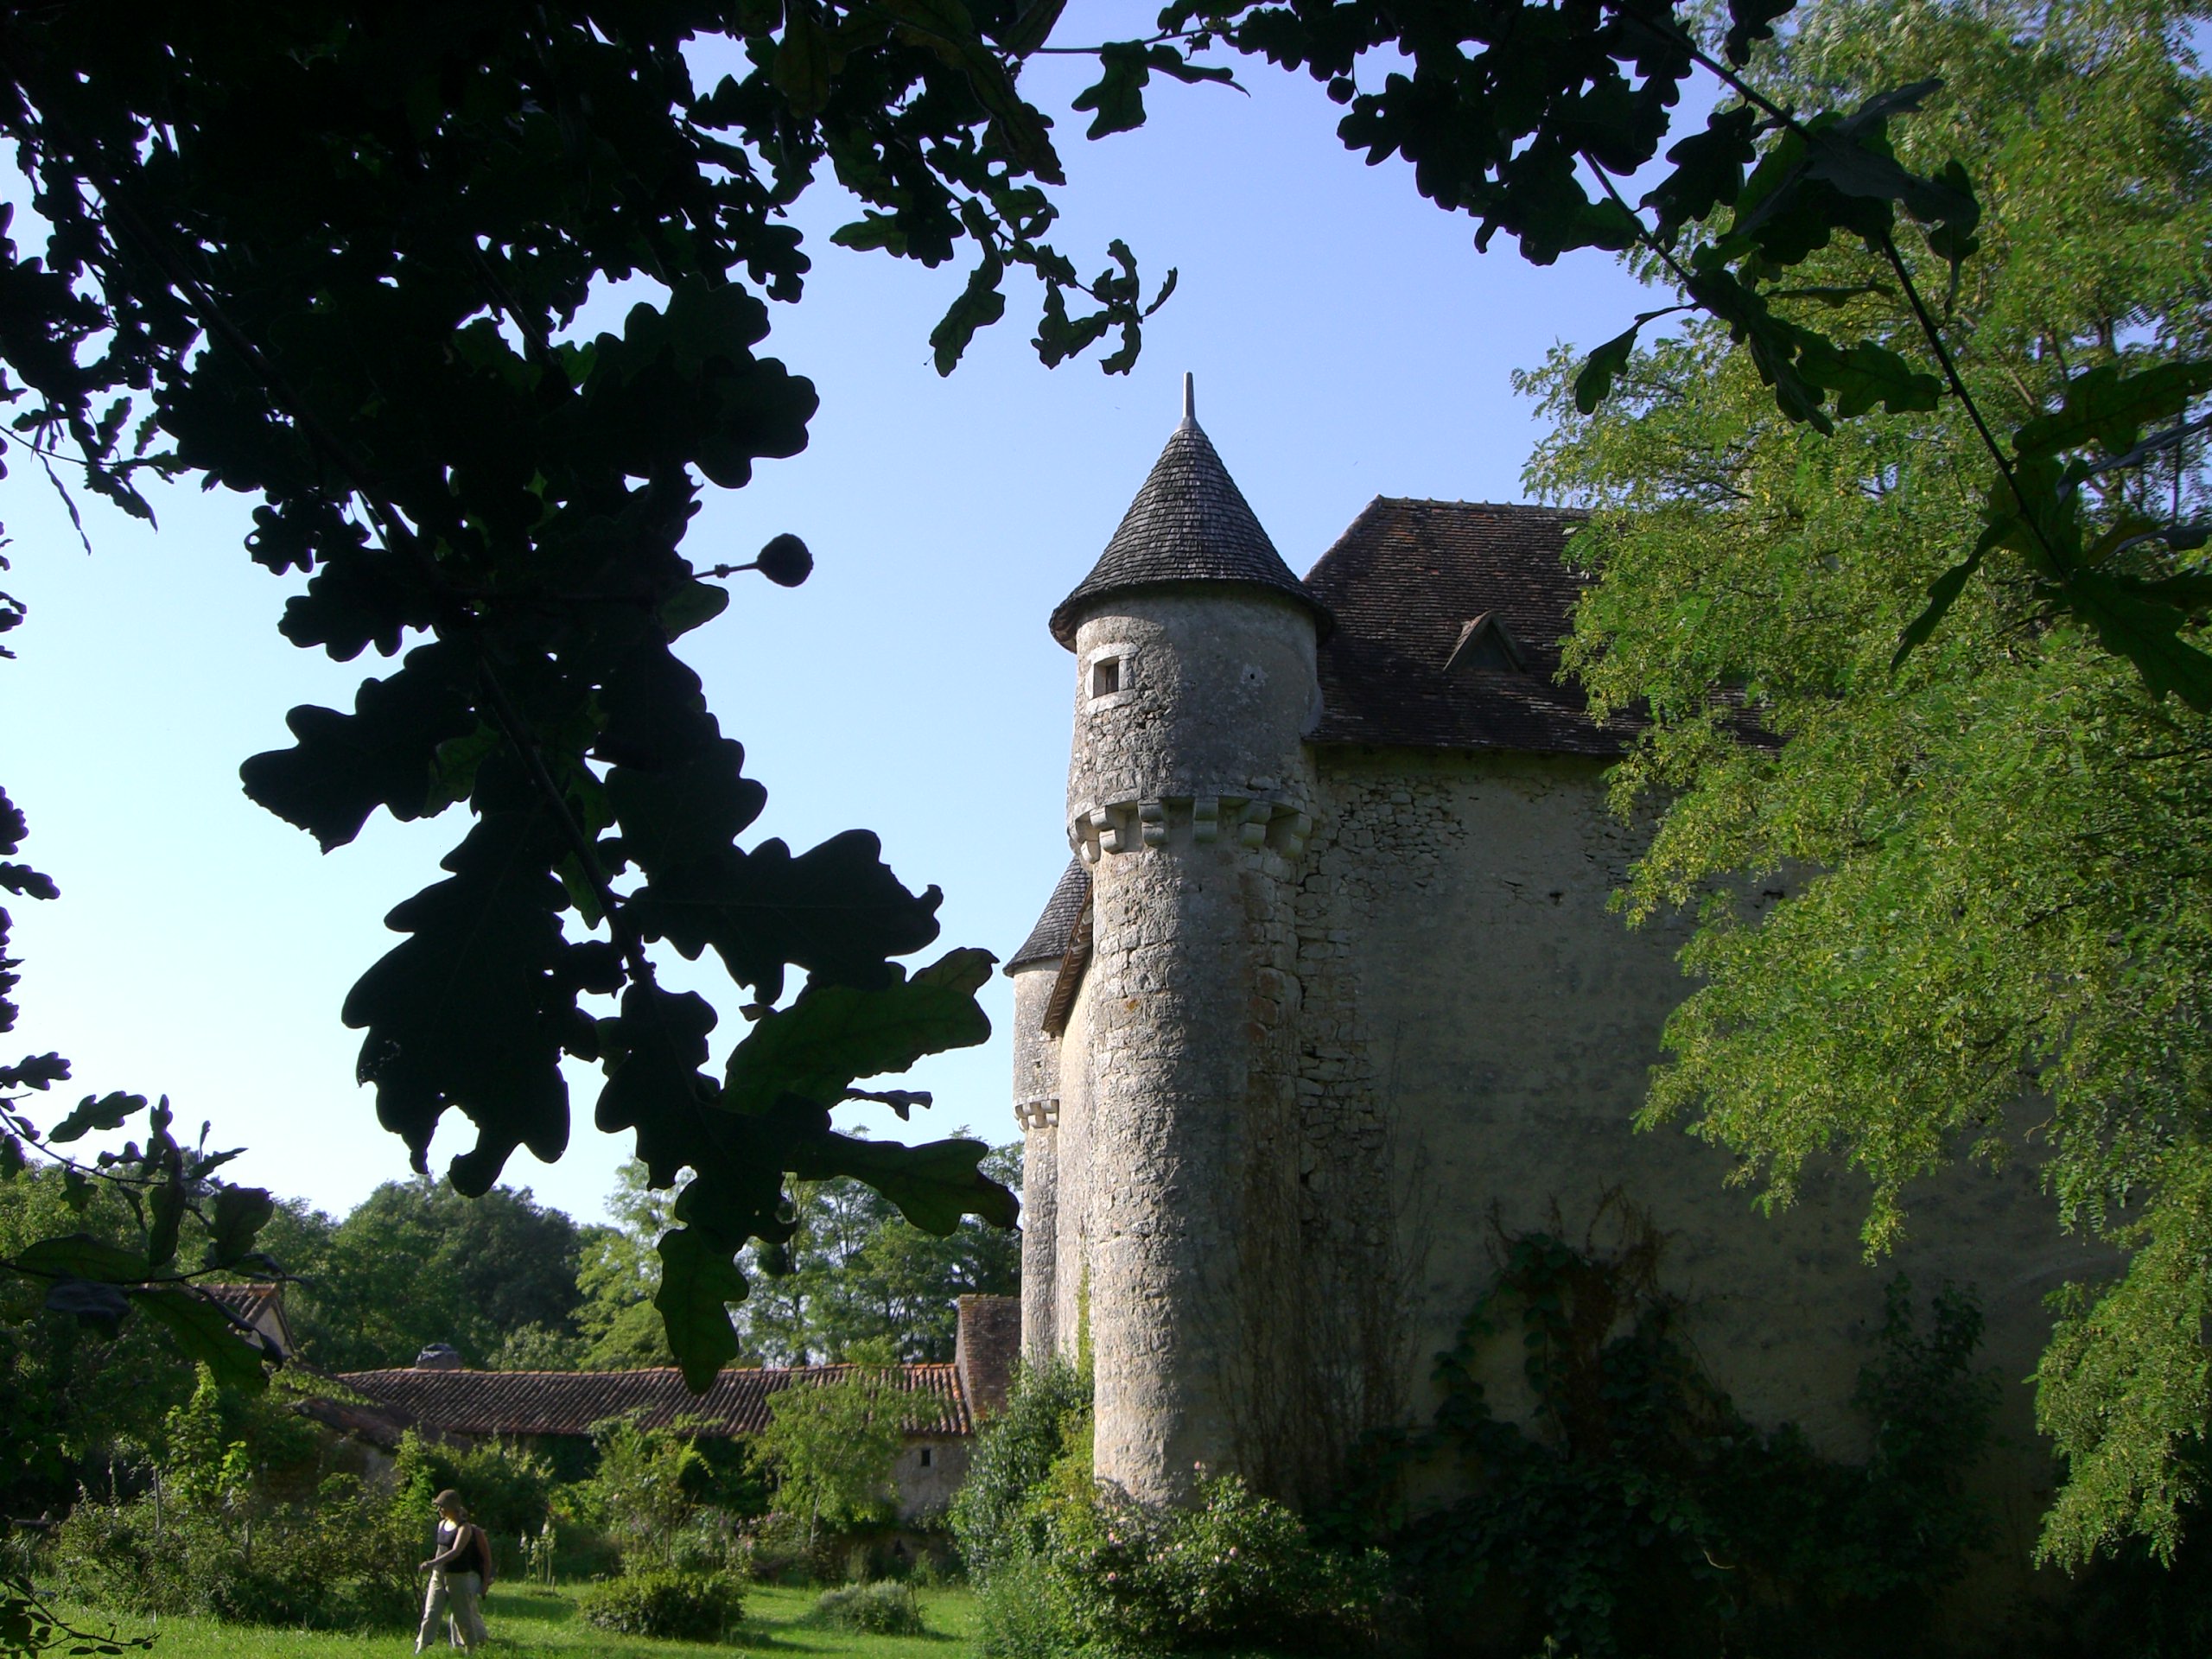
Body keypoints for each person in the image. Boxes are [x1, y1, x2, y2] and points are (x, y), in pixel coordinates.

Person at [416, 1488, 492, 1653]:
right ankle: (421, 1647)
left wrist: (431, 1563)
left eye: (441, 1506)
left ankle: (470, 1649)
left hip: (458, 1577)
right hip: (439, 1575)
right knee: (431, 1613)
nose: (439, 1510)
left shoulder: (465, 1528)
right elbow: (440, 1549)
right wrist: (434, 1567)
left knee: (462, 1616)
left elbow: (455, 1551)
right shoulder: (442, 1524)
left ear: (451, 1507)